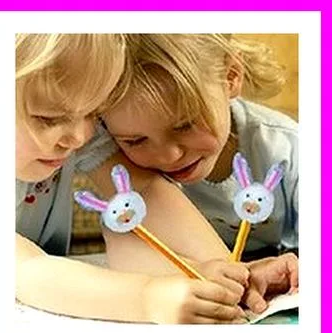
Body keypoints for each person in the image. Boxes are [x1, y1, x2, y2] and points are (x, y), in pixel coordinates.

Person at [16, 33, 255, 324]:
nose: (80, 136)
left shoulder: (67, 125)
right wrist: (147, 298)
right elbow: (23, 270)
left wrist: (219, 273)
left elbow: (143, 193)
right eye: (47, 119)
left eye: (94, 113)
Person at [100, 34, 298, 263]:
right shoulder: (123, 170)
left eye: (185, 125)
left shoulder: (288, 148)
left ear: (230, 77)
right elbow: (128, 253)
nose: (169, 156)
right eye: (135, 141)